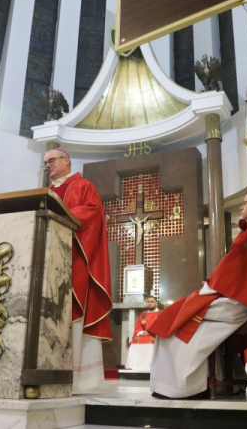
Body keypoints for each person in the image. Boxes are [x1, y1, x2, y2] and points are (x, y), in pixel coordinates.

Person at [148, 188, 247, 399]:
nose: (241, 206)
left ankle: (185, 386)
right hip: (243, 296)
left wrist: (208, 288)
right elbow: (236, 270)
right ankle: (221, 380)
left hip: (240, 300)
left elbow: (232, 268)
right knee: (179, 315)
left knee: (178, 322)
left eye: (245, 202)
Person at [45, 147, 112, 391]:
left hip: (74, 257)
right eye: (46, 162)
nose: (48, 165)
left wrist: (64, 214)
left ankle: (77, 378)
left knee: (72, 309)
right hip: (47, 260)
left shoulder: (84, 186)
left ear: (66, 160)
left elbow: (92, 213)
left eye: (52, 160)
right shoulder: (45, 192)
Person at [125, 296, 162, 371]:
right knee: (135, 341)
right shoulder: (143, 314)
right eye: (148, 302)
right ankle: (136, 366)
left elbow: (163, 326)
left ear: (156, 303)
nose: (150, 303)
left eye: (152, 302)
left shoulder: (161, 313)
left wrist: (151, 332)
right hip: (144, 335)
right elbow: (138, 326)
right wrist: (142, 332)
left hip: (155, 336)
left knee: (150, 340)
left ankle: (150, 366)